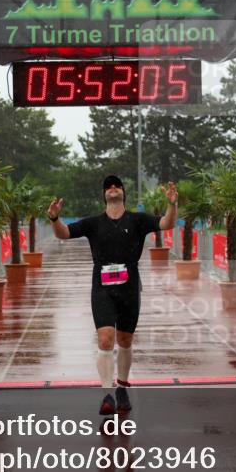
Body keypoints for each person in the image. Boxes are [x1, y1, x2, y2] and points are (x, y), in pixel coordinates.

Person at [49, 175, 177, 414]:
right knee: (106, 339)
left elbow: (167, 224)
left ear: (123, 193)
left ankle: (122, 387)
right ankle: (106, 393)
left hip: (129, 288)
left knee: (125, 340)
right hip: (102, 287)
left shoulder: (138, 220)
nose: (112, 189)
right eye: (108, 187)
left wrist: (172, 204)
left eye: (117, 186)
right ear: (104, 195)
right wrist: (54, 218)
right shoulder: (93, 223)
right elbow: (63, 233)